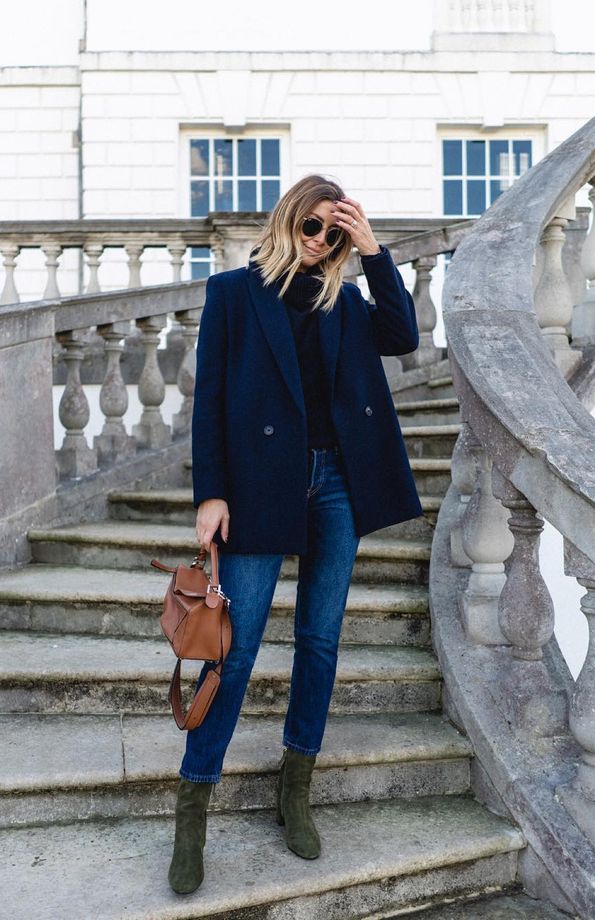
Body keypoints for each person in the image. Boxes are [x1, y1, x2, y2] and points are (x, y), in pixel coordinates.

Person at [168, 174, 422, 894]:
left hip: (337, 481)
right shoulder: (231, 294)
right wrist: (210, 492)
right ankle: (194, 808)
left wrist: (373, 252)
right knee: (234, 649)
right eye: (313, 228)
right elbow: (209, 401)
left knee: (319, 638)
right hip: (257, 486)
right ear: (287, 222)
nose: (322, 242)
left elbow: (402, 336)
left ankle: (295, 788)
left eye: (333, 232)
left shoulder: (345, 297)